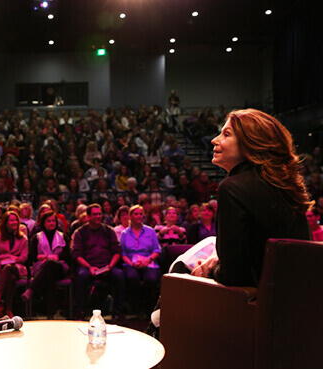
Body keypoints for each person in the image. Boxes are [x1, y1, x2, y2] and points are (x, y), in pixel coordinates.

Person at [191, 109, 312, 287]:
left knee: (182, 269)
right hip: (298, 300)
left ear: (251, 143)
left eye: (226, 134)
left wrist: (211, 269)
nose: (214, 140)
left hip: (255, 305)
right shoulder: (285, 186)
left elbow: (234, 276)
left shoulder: (232, 188)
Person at [71, 204, 127, 322]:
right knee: (81, 276)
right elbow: (77, 255)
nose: (98, 216)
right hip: (87, 267)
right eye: (95, 214)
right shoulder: (80, 232)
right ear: (89, 216)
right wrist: (89, 267)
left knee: (120, 275)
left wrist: (111, 265)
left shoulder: (109, 231)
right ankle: (80, 311)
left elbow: (117, 251)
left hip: (107, 266)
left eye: (99, 214)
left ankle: (119, 311)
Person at [21, 211, 70, 319]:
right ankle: (50, 314)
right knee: (49, 275)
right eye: (49, 221)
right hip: (41, 267)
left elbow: (67, 255)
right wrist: (46, 257)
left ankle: (31, 290)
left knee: (50, 265)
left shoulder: (63, 236)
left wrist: (56, 258)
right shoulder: (36, 237)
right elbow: (32, 257)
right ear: (43, 223)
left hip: (60, 267)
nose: (51, 223)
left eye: (53, 221)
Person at [120, 205, 161, 318]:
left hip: (148, 261)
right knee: (132, 277)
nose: (139, 216)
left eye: (140, 214)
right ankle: (135, 309)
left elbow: (157, 250)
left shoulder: (150, 231)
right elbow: (123, 253)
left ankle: (147, 309)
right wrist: (131, 263)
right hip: (131, 263)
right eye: (136, 214)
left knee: (151, 278)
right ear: (130, 216)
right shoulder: (124, 234)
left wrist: (148, 260)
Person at [0, 210, 28, 318]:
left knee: (9, 268)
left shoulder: (23, 238)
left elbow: (24, 258)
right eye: (11, 220)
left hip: (18, 268)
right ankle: (9, 310)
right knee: (10, 277)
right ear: (5, 223)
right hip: (0, 268)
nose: (14, 222)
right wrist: (8, 257)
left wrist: (12, 260)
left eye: (16, 220)